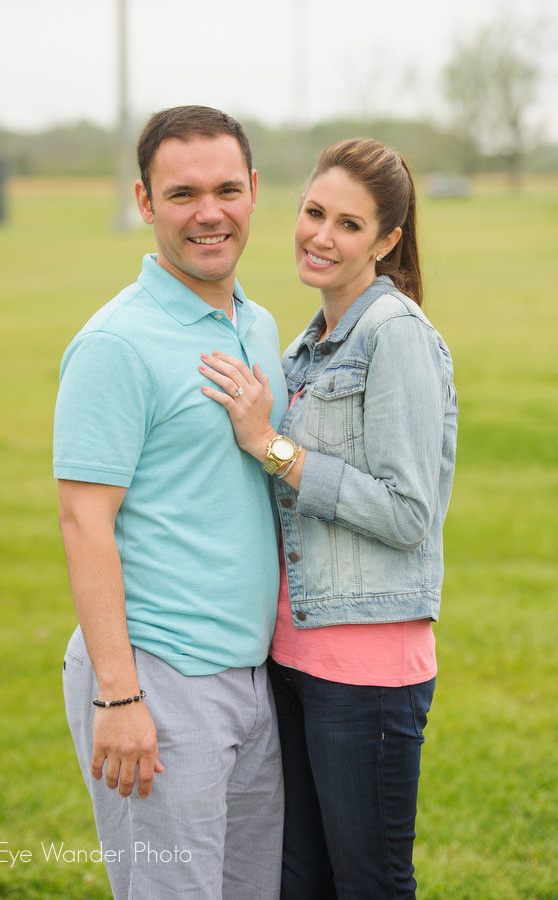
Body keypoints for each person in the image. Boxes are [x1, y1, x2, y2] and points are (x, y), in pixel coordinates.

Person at [200, 137, 458, 899]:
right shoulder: (304, 346)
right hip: (292, 655)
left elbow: (408, 512)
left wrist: (271, 446)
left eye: (348, 225)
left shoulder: (395, 335)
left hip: (367, 672)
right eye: (314, 211)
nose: (320, 235)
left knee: (368, 883)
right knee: (299, 881)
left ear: (385, 241)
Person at [53, 105, 288, 900]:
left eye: (226, 189)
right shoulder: (115, 344)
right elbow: (84, 520)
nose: (209, 213)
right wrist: (118, 696)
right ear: (146, 203)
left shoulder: (257, 325)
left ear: (253, 192)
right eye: (182, 194)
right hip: (156, 676)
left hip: (251, 680)